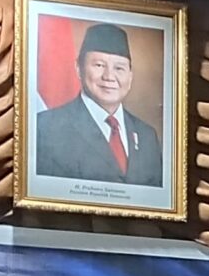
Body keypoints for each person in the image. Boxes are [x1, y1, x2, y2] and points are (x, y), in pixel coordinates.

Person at [34, 20, 165, 185]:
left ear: (130, 76)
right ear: (78, 68)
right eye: (99, 65)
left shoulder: (147, 136)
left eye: (119, 68)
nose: (109, 76)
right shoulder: (46, 127)